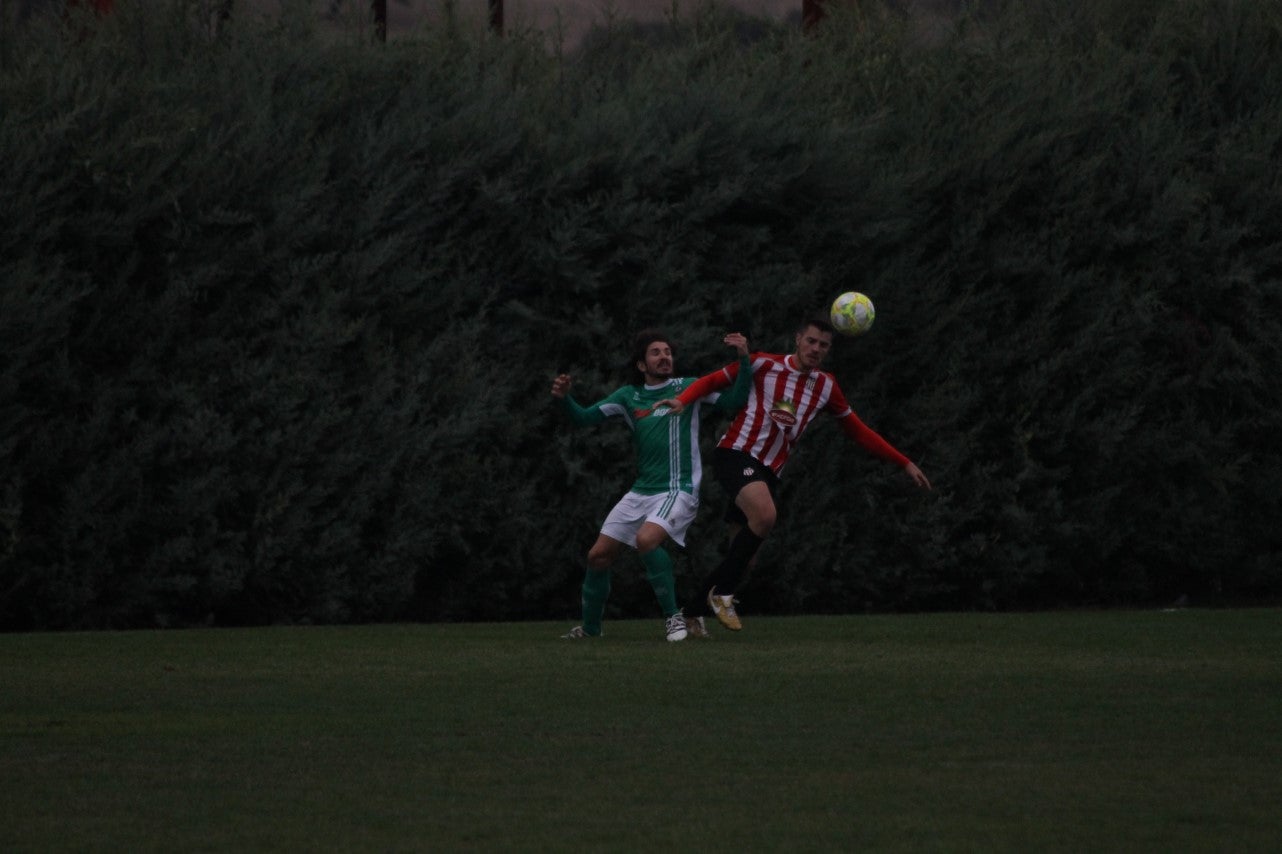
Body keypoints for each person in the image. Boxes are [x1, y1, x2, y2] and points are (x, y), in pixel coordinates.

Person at [657, 314, 930, 632]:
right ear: (798, 339)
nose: (816, 349)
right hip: (736, 452)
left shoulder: (826, 386)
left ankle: (691, 613)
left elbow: (857, 430)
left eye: (823, 345)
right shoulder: (763, 364)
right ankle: (723, 594)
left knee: (744, 557)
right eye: (811, 341)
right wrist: (683, 399)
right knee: (766, 516)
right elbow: (712, 381)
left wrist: (904, 462)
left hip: (769, 470)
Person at [551, 329, 752, 641]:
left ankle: (674, 618)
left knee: (646, 540)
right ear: (641, 364)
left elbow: (735, 401)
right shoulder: (627, 396)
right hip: (641, 491)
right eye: (656, 352)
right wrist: (565, 399)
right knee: (597, 556)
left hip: (678, 488)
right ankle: (590, 631)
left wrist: (744, 359)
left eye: (667, 352)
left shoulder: (688, 387)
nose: (664, 357)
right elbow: (584, 418)